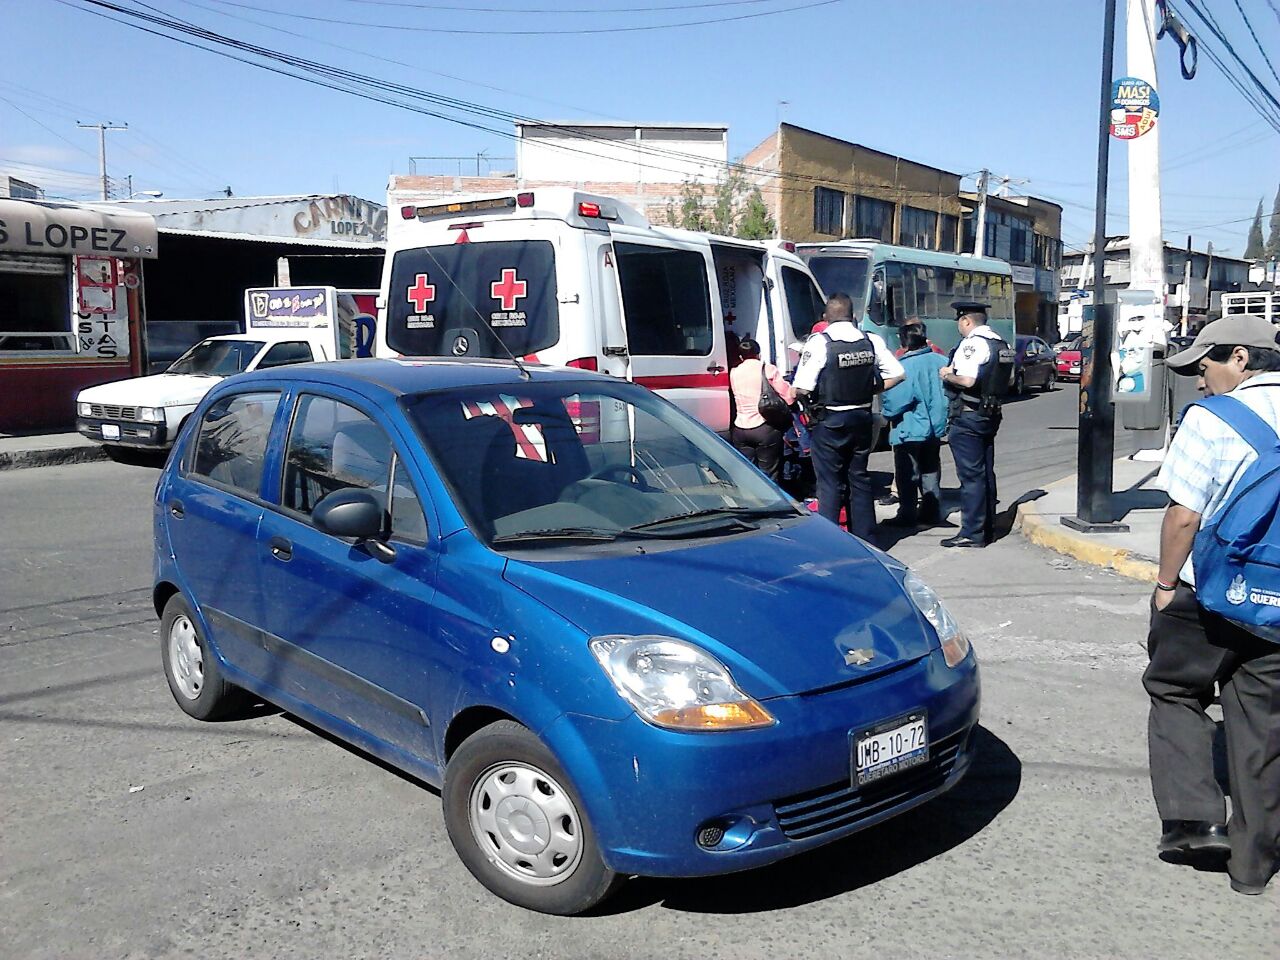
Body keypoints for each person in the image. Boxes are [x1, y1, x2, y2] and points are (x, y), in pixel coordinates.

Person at [1144, 314, 1280, 896]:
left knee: (1174, 689)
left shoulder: (1213, 419)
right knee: (1261, 724)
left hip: (1212, 593)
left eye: (1206, 367)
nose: (1202, 383)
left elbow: (1183, 515)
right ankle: (1253, 866)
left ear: (1241, 359)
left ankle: (1196, 820)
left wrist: (1166, 582)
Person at [793, 293, 903, 541]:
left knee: (830, 483)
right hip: (862, 417)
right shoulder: (870, 340)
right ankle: (866, 538)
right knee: (859, 478)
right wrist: (871, 389)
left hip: (830, 421)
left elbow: (802, 387)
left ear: (826, 318)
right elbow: (898, 373)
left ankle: (831, 542)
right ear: (853, 316)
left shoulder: (819, 343)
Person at [938, 301, 1014, 548]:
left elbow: (968, 380)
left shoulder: (972, 344)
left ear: (966, 321)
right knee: (985, 472)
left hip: (969, 415)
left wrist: (947, 374)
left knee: (971, 477)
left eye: (960, 322)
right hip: (990, 413)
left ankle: (972, 532)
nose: (959, 328)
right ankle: (988, 527)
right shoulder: (1002, 344)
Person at [880, 322, 948, 527]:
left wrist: (885, 413)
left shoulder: (903, 367)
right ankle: (931, 511)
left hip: (909, 428)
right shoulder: (941, 361)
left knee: (907, 473)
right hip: (935, 427)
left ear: (904, 342)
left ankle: (907, 513)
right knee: (931, 470)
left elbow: (894, 403)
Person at [729, 337, 794, 482]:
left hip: (740, 429)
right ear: (758, 354)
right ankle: (771, 502)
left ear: (741, 356)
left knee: (747, 473)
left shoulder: (733, 372)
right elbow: (788, 396)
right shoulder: (767, 369)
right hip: (764, 428)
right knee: (769, 474)